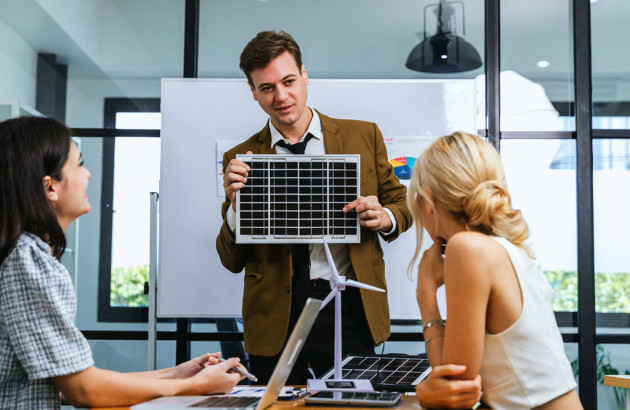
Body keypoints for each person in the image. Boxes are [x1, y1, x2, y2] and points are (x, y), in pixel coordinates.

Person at [0, 116, 244, 409]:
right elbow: (83, 390)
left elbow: (64, 384)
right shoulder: (27, 261)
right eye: (79, 164)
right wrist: (195, 386)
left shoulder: (23, 254)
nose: (88, 174)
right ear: (50, 187)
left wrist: (176, 375)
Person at [216, 30, 412, 384]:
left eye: (289, 81)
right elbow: (230, 261)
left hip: (348, 308)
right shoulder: (242, 157)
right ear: (253, 92)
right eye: (267, 88)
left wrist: (384, 217)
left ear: (305, 74)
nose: (282, 96)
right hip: (274, 315)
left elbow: (402, 204)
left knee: (352, 407)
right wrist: (234, 207)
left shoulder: (363, 136)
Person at [408, 132, 583, 409]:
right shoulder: (507, 247)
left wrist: (425, 293)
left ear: (429, 201)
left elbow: (456, 388)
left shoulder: (468, 248)